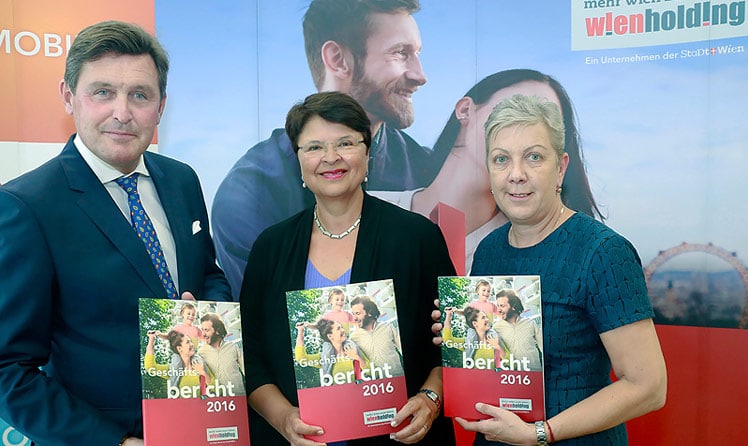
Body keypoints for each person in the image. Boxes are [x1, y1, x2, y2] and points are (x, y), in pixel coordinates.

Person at [0, 21, 230, 446]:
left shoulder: (182, 180)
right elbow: (8, 369)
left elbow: (207, 274)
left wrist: (209, 314)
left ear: (161, 107)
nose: (122, 112)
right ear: (69, 97)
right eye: (102, 92)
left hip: (203, 420)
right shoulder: (26, 205)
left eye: (140, 95)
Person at [433, 94, 666, 445]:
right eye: (501, 159)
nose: (516, 175)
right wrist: (460, 337)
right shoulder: (489, 250)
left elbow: (648, 387)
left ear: (560, 167)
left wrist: (539, 433)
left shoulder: (603, 252)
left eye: (534, 157)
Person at [240, 91, 456, 445]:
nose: (330, 158)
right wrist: (284, 419)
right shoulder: (271, 247)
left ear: (367, 153)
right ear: (298, 160)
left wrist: (430, 400)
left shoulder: (418, 238)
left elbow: (451, 343)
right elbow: (249, 355)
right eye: (313, 147)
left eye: (345, 143)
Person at [213, 0, 443, 298]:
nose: (420, 75)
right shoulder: (249, 194)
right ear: (337, 58)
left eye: (347, 144)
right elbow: (262, 322)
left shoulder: (424, 170)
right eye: (400, 53)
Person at [371, 69, 603, 272]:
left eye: (545, 122)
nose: (527, 132)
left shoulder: (532, 248)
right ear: (465, 110)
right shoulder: (366, 211)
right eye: (515, 110)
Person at [145, 330, 213, 397]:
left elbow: (217, 389)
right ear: (180, 349)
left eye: (191, 342)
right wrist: (151, 339)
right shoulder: (172, 371)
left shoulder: (200, 365)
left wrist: (203, 372)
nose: (192, 344)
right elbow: (150, 367)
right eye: (188, 342)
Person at [349, 294, 404, 376]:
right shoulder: (354, 338)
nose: (354, 318)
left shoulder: (388, 327)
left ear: (370, 313)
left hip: (398, 378)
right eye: (353, 314)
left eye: (357, 313)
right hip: (375, 384)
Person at [295, 320, 366, 379]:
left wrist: (356, 357)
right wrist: (301, 332)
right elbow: (301, 358)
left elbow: (369, 371)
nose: (343, 330)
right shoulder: (324, 359)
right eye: (338, 328)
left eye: (341, 327)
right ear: (330, 336)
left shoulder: (353, 349)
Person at [493, 289, 542, 371]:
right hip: (513, 376)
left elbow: (543, 347)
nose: (499, 310)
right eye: (498, 306)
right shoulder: (496, 328)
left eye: (502, 306)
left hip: (535, 373)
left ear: (513, 307)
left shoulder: (530, 323)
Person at [198, 312, 246, 396]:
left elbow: (245, 370)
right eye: (202, 330)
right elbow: (202, 379)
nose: (203, 334)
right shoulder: (201, 353)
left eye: (206, 330)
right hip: (218, 401)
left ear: (217, 331)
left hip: (239, 397)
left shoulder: (233, 347)